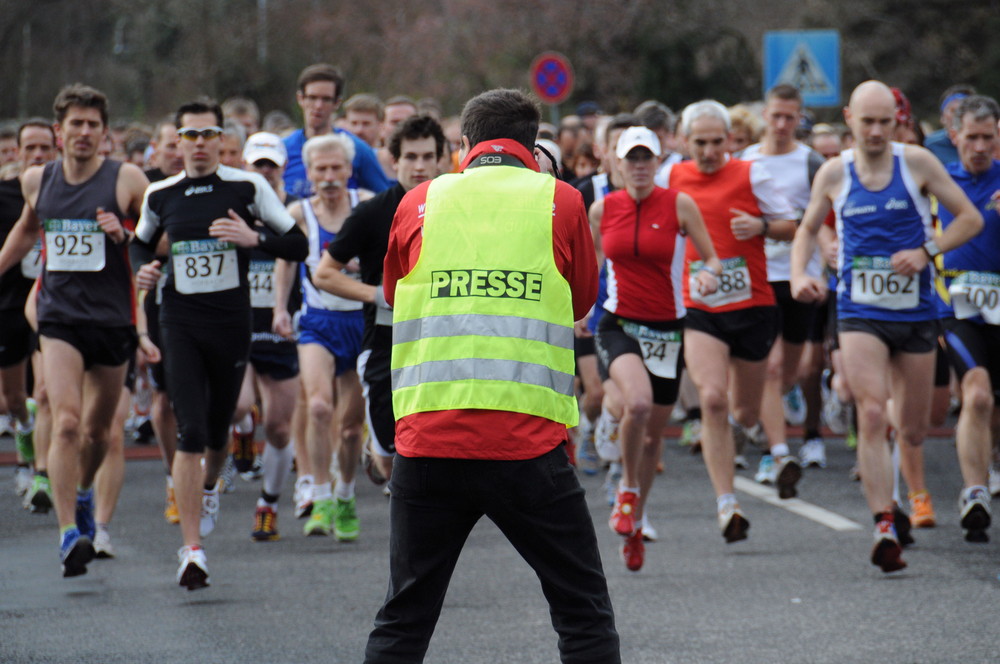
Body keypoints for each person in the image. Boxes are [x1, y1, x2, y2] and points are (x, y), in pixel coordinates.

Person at [363, 88, 617, 664]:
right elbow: (581, 300)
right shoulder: (562, 201)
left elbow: (392, 291)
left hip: (430, 441)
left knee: (403, 618)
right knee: (582, 612)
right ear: (533, 147)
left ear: (464, 146)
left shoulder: (419, 201)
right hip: (527, 448)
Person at [791, 80, 982, 573]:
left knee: (914, 429)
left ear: (896, 122)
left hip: (916, 314)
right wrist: (800, 272)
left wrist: (927, 251)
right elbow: (809, 228)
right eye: (867, 121)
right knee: (872, 412)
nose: (875, 131)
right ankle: (883, 522)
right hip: (860, 312)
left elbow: (969, 219)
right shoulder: (835, 171)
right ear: (850, 118)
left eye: (885, 122)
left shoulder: (916, 163)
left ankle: (894, 490)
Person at [131, 98, 307, 590]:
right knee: (189, 430)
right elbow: (141, 242)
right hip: (179, 321)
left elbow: (298, 244)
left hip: (231, 324)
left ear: (221, 139)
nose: (200, 143)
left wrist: (254, 240)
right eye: (190, 135)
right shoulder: (161, 194)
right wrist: (141, 268)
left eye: (209, 134)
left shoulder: (246, 187)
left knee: (219, 429)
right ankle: (192, 550)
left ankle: (208, 487)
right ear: (178, 141)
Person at [0, 84, 149, 578]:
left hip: (111, 320)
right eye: (75, 124)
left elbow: (158, 234)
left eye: (93, 125)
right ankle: (68, 534)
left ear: (105, 134)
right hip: (58, 315)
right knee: (64, 420)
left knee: (98, 432)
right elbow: (26, 229)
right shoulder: (38, 180)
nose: (84, 132)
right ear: (59, 131)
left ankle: (84, 493)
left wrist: (124, 234)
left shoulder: (125, 178)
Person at [655, 99, 797, 543]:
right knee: (713, 399)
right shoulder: (670, 177)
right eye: (701, 143)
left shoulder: (751, 173)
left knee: (745, 412)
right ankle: (726, 503)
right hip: (699, 306)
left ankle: (746, 434)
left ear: (730, 141)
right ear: (684, 141)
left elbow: (790, 224)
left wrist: (760, 227)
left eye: (718, 142)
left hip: (753, 304)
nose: (710, 151)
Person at [592, 126, 721, 571]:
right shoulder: (602, 210)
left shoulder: (679, 205)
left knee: (652, 441)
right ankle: (625, 490)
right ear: (615, 162)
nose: (640, 165)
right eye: (631, 158)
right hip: (619, 323)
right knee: (639, 404)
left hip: (667, 330)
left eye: (647, 157)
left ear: (659, 159)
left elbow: (711, 258)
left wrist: (707, 275)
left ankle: (637, 516)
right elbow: (589, 273)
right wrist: (571, 313)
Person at [313, 114, 446, 484]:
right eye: (411, 157)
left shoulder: (457, 208)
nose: (419, 166)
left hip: (441, 340)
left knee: (425, 454)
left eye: (427, 157)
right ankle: (380, 455)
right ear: (394, 161)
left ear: (440, 159)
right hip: (385, 344)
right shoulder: (372, 212)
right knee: (389, 457)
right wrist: (377, 294)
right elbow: (324, 273)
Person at [283, 133, 370, 540]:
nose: (330, 177)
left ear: (349, 170)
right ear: (310, 173)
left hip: (360, 321)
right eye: (321, 169)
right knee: (318, 407)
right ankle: (319, 496)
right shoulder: (299, 213)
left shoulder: (367, 206)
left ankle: (346, 494)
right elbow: (287, 257)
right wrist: (279, 309)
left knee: (352, 429)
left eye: (337, 168)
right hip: (317, 320)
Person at [740, 84, 828, 483]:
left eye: (789, 117)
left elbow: (821, 221)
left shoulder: (810, 162)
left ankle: (780, 400)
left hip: (799, 277)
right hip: (757, 276)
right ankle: (772, 452)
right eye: (774, 116)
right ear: (764, 116)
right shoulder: (745, 160)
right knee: (770, 368)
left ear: (799, 118)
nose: (780, 124)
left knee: (793, 369)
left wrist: (827, 260)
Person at [934, 94, 1000, 543]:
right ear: (954, 136)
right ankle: (974, 492)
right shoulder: (937, 183)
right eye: (971, 137)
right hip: (954, 304)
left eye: (988, 137)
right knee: (976, 392)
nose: (979, 146)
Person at [231, 131, 302, 541]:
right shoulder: (229, 207)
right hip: (238, 326)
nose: (264, 170)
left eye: (271, 164)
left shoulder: (292, 212)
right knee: (239, 405)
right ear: (245, 166)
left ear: (282, 168)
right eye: (257, 164)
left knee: (277, 427)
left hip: (280, 327)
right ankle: (241, 433)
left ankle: (268, 504)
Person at [0, 119, 55, 501]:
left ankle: (41, 473)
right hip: (9, 303)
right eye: (30, 148)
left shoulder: (67, 191)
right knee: (15, 398)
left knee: (48, 392)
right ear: (17, 152)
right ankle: (24, 434)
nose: (37, 155)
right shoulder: (3, 193)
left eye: (45, 148)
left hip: (53, 302)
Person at [282, 63, 391, 198]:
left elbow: (384, 199)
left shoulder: (357, 149)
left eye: (326, 99)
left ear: (337, 103)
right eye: (312, 97)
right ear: (301, 99)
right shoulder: (283, 149)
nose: (318, 106)